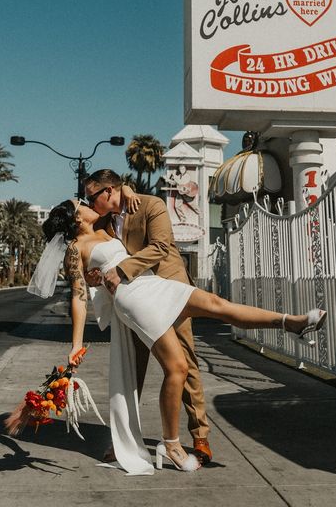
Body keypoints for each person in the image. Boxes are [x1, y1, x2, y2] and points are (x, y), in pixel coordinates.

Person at [40, 198, 327, 474]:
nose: (88, 205)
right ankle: (172, 446)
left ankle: (292, 323)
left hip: (153, 283)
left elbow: (120, 196)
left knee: (217, 304)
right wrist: (76, 343)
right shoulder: (76, 249)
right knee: (176, 369)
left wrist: (126, 189)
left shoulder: (106, 228)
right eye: (82, 204)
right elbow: (79, 297)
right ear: (76, 217)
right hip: (133, 298)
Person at [84, 169, 212, 466]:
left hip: (169, 290)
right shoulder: (100, 222)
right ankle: (124, 441)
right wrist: (95, 277)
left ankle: (200, 436)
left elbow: (161, 246)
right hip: (133, 300)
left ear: (108, 191)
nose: (88, 203)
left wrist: (121, 270)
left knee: (186, 363)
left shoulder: (150, 205)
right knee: (131, 368)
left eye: (92, 196)